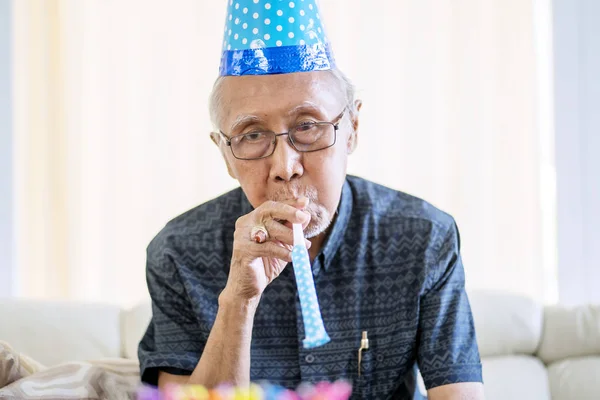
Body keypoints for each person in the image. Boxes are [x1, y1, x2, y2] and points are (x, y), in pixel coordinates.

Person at [138, 1, 485, 398]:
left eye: (308, 126)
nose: (285, 166)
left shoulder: (424, 238)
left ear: (352, 128)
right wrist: (238, 301)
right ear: (225, 155)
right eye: (252, 135)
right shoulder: (177, 254)